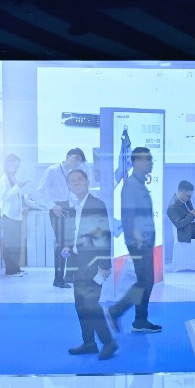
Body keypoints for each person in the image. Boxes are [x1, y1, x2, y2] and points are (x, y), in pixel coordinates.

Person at [63, 168, 117, 360]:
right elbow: (76, 232)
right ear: (69, 186)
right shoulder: (75, 207)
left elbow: (103, 235)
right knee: (80, 305)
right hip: (78, 263)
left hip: (93, 263)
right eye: (72, 180)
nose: (76, 182)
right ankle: (89, 343)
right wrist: (69, 246)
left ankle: (109, 342)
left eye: (79, 179)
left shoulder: (96, 204)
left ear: (87, 181)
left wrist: (104, 265)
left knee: (91, 305)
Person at [107, 147, 161, 333]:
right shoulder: (131, 185)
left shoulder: (139, 184)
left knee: (146, 281)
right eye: (148, 159)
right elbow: (128, 215)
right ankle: (116, 311)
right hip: (139, 241)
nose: (151, 162)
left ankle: (140, 320)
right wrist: (136, 235)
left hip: (144, 240)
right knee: (144, 282)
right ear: (137, 162)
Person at [35, 147, 88, 288]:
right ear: (68, 156)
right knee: (62, 245)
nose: (77, 163)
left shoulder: (74, 173)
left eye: (80, 161)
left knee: (72, 243)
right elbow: (39, 192)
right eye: (75, 158)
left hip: (71, 208)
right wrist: (52, 206)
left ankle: (68, 276)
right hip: (57, 209)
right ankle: (58, 280)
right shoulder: (52, 170)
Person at [0, 153, 28, 276]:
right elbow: (4, 196)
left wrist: (19, 187)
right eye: (14, 166)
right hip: (8, 215)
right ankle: (10, 269)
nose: (16, 169)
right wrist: (16, 187)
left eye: (18, 166)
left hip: (16, 214)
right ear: (8, 165)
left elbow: (16, 195)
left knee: (17, 243)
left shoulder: (14, 177)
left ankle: (15, 266)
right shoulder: (3, 179)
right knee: (10, 244)